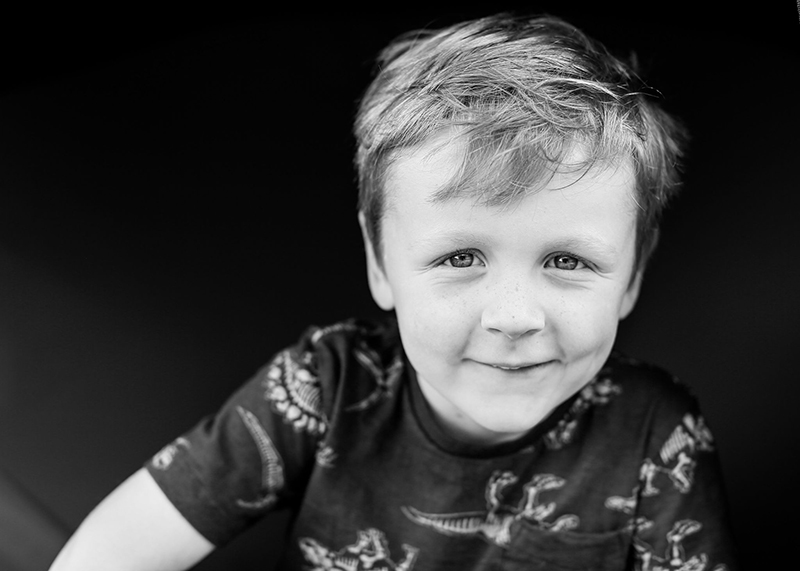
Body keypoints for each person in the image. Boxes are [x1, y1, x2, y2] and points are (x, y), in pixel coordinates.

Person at [49, 13, 738, 571]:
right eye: (460, 255)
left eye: (567, 259)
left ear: (633, 275)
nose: (514, 317)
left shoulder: (656, 431)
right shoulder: (325, 386)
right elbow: (115, 549)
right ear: (381, 262)